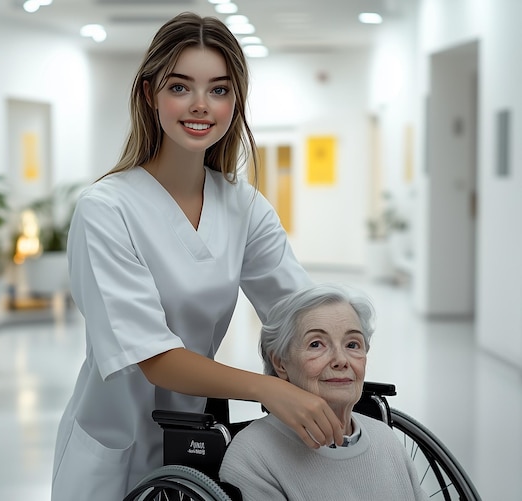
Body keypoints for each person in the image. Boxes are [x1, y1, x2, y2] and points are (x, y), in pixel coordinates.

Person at [51, 12, 346, 501]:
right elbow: (154, 358)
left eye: (220, 89)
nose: (201, 106)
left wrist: (338, 348)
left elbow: (298, 311)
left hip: (191, 440)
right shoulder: (105, 209)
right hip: (113, 447)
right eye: (181, 87)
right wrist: (270, 389)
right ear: (150, 94)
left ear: (236, 101)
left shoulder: (242, 204)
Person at [219, 284, 429, 500]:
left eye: (352, 345)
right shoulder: (254, 456)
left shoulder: (386, 440)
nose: (341, 360)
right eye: (317, 344)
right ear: (281, 363)